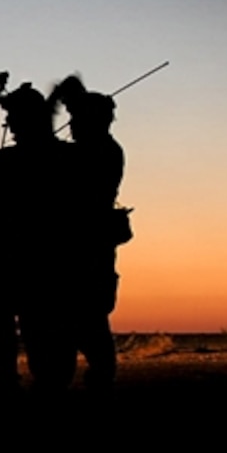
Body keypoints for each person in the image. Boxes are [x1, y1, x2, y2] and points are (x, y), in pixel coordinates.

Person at [0, 82, 67, 392]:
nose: (10, 125)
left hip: (32, 252)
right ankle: (25, 380)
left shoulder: (13, 159)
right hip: (17, 250)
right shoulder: (61, 156)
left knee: (31, 321)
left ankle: (29, 381)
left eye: (14, 118)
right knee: (7, 321)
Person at [50, 75, 127, 390]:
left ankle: (88, 383)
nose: (72, 124)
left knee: (86, 322)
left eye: (77, 118)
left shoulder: (94, 153)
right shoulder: (100, 149)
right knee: (83, 322)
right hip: (86, 248)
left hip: (85, 250)